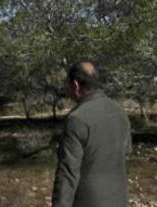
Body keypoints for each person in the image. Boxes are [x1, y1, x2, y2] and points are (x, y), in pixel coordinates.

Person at [52, 61, 132, 207]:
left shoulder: (76, 120)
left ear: (75, 86)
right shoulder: (119, 111)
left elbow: (68, 175)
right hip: (119, 199)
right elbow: (126, 151)